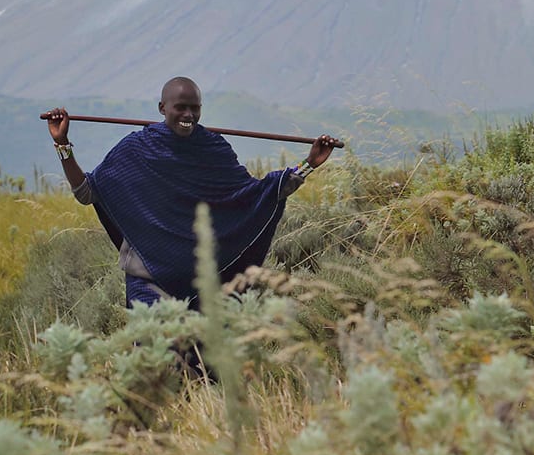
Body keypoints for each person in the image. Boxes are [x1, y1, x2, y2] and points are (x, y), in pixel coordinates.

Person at [44, 77, 338, 308]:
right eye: (180, 107)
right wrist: (62, 143)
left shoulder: (213, 149)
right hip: (148, 283)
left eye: (194, 108)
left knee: (202, 374)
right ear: (162, 108)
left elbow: (254, 195)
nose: (188, 114)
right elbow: (86, 192)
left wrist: (308, 164)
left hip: (203, 286)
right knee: (155, 368)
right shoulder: (135, 150)